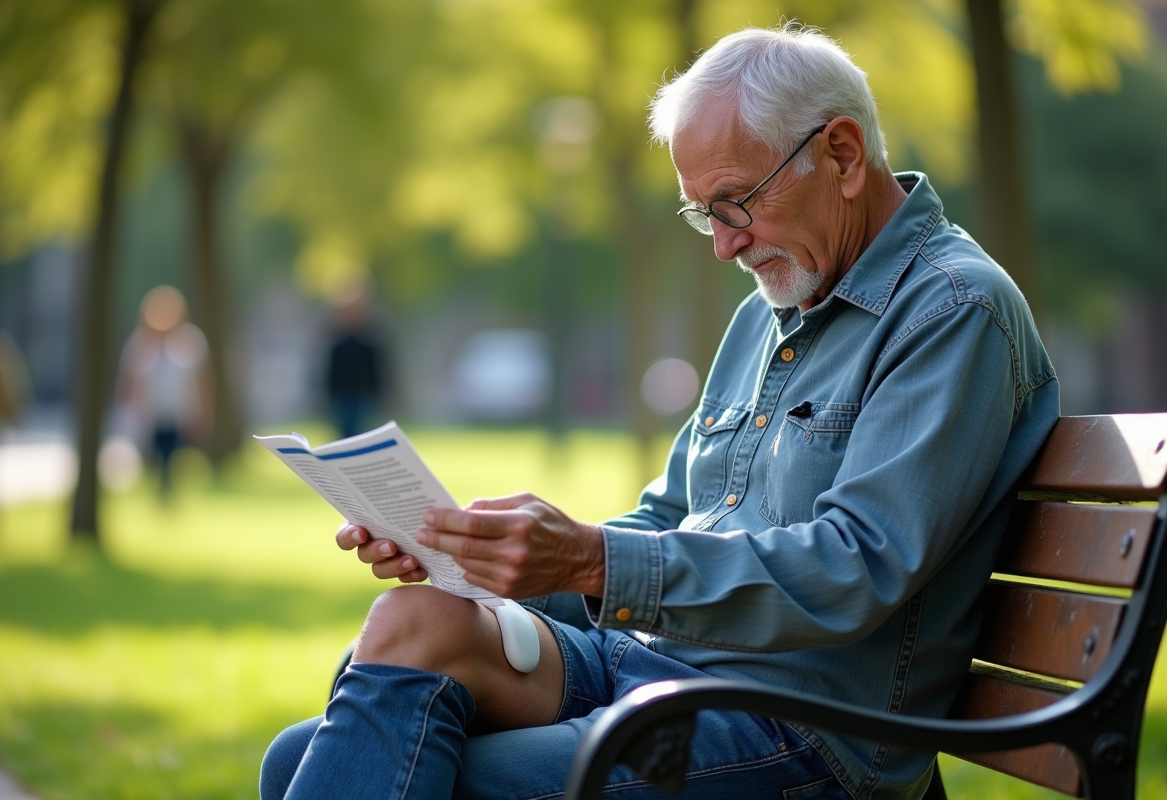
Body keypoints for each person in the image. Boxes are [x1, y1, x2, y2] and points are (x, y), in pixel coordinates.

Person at [260, 24, 1059, 800]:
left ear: (842, 155)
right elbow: (677, 511)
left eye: (735, 202)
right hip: (654, 671)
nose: (722, 244)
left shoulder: (952, 311)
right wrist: (483, 562)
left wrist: (590, 560)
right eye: (702, 213)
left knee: (383, 770)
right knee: (386, 655)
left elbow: (857, 566)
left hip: (796, 733)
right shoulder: (772, 310)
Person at [117, 285, 213, 500]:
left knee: (171, 457)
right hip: (149, 415)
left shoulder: (190, 342)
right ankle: (159, 491)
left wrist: (203, 413)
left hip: (178, 414)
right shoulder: (139, 344)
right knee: (154, 458)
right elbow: (129, 382)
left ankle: (167, 492)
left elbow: (202, 381)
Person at [323, 282, 387, 439]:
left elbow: (374, 371)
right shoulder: (337, 342)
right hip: (342, 396)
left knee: (361, 434)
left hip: (362, 396)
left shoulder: (368, 340)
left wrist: (377, 393)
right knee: (343, 434)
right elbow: (332, 372)